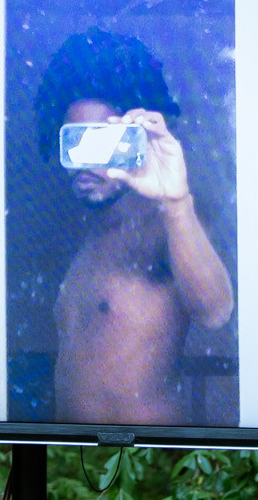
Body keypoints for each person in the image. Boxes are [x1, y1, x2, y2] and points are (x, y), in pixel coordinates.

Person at [33, 29, 234, 426]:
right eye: (74, 143)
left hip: (149, 456)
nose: (85, 163)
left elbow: (215, 312)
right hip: (76, 456)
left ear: (134, 142)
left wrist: (176, 203)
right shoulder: (88, 235)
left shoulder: (165, 225)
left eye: (101, 143)